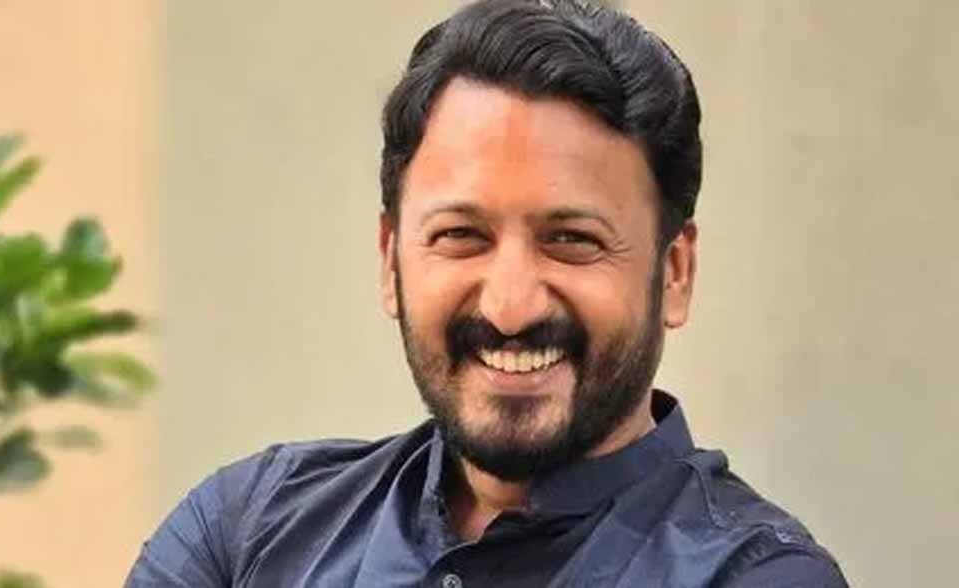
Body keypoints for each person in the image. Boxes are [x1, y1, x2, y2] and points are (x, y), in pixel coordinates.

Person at [127, 1, 847, 586]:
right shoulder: (249, 533)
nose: (510, 306)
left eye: (572, 240)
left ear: (676, 273)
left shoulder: (757, 577)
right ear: (390, 258)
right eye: (461, 236)